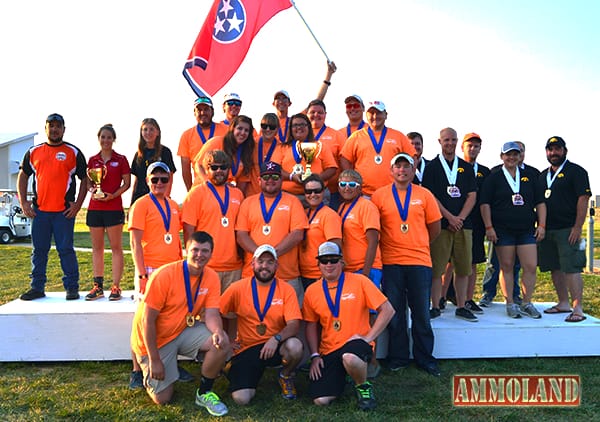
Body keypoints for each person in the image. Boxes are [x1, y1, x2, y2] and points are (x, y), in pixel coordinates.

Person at [130, 231, 230, 416]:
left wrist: (217, 331)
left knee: (221, 342)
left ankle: (204, 392)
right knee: (163, 399)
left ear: (211, 253)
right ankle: (148, 370)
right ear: (186, 250)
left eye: (205, 251)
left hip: (181, 330)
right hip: (154, 340)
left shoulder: (211, 277)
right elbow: (147, 320)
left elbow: (212, 314)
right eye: (195, 250)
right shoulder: (165, 275)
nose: (200, 255)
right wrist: (155, 360)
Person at [372, 153, 442, 375]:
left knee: (421, 311)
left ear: (413, 171)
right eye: (398, 166)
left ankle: (425, 358)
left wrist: (418, 243)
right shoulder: (379, 196)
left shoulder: (425, 195)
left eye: (406, 167)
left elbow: (435, 227)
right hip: (391, 262)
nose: (402, 170)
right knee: (395, 312)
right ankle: (399, 357)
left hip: (419, 261)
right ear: (391, 171)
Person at [303, 242, 395, 411]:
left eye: (333, 260)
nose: (329, 264)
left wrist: (368, 339)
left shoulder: (360, 281)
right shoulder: (312, 291)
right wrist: (315, 355)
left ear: (342, 262)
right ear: (318, 264)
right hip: (329, 349)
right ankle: (344, 377)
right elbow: (310, 325)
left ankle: (363, 387)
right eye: (324, 261)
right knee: (320, 400)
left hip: (356, 344)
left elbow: (388, 310)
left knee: (350, 357)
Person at [127, 162, 186, 389]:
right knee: (144, 318)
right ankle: (135, 369)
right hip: (150, 269)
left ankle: (170, 361)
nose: (160, 183)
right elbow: (134, 243)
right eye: (155, 179)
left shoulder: (172, 205)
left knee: (170, 316)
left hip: (171, 269)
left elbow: (173, 236)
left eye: (164, 179)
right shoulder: (140, 205)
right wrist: (142, 274)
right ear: (147, 181)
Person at [220, 244, 303, 404]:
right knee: (241, 399)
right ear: (252, 264)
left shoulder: (286, 289)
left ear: (276, 265)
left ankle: (285, 375)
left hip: (275, 346)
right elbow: (217, 312)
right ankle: (232, 368)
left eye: (270, 262)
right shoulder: (237, 288)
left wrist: (276, 338)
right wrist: (227, 340)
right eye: (261, 261)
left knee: (295, 346)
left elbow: (294, 325)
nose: (265, 266)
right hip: (247, 348)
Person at [18, 113, 87, 301]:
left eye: (58, 126)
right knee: (39, 251)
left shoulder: (73, 152)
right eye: (51, 126)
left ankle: (72, 288)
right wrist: (24, 202)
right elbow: (23, 176)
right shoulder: (34, 152)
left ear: (64, 129)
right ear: (46, 128)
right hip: (40, 212)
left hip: (63, 212)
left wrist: (78, 204)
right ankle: (37, 287)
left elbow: (85, 179)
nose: (55, 129)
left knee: (66, 250)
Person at [480, 142, 546, 319]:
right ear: (502, 156)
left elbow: (540, 202)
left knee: (530, 266)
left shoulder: (529, 176)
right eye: (508, 154)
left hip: (526, 229)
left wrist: (541, 225)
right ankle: (510, 303)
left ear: (520, 156)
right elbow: (485, 204)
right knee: (507, 266)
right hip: (503, 230)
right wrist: (489, 227)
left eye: (515, 154)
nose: (512, 158)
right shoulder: (494, 177)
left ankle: (526, 302)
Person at [422, 127, 477, 321]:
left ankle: (461, 306)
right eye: (446, 140)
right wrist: (449, 217)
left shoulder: (466, 167)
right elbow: (431, 197)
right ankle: (435, 305)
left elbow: (472, 196)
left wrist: (460, 218)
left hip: (464, 225)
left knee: (463, 268)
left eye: (454, 140)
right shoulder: (432, 167)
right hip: (441, 225)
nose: (450, 144)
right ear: (439, 142)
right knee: (437, 269)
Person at [235, 161, 308, 303]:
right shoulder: (247, 203)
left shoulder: (293, 202)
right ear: (259, 180)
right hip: (253, 274)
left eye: (275, 177)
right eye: (266, 177)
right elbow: (241, 235)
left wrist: (272, 255)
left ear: (281, 179)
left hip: (286, 274)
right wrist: (261, 258)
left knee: (291, 320)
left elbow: (297, 234)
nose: (270, 180)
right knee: (250, 318)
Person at [538, 136, 592, 323]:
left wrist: (578, 227)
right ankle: (563, 303)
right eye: (550, 150)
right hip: (548, 229)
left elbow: (583, 199)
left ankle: (578, 308)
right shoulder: (543, 174)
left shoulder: (576, 172)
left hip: (568, 229)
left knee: (572, 268)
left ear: (565, 151)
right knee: (554, 267)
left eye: (557, 149)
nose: (554, 153)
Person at [336, 169, 383, 377]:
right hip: (349, 269)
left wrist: (365, 272)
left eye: (352, 185)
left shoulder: (366, 206)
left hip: (367, 269)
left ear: (360, 187)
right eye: (343, 184)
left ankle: (372, 360)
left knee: (372, 314)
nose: (347, 188)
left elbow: (373, 240)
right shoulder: (341, 208)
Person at [441, 133, 490, 314]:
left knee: (472, 262)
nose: (473, 149)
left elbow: (483, 198)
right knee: (448, 263)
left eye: (476, 146)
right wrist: (454, 218)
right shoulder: (453, 166)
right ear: (462, 147)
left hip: (473, 222)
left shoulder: (485, 171)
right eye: (470, 145)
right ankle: (442, 297)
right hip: (450, 221)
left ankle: (468, 300)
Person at [182, 150, 244, 292]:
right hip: (206, 266)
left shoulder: (238, 194)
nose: (219, 171)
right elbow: (188, 230)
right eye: (214, 167)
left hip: (234, 267)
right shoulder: (196, 194)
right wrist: (192, 262)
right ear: (207, 169)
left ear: (229, 169)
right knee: (204, 312)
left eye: (223, 167)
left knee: (230, 313)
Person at [84, 124, 131, 301]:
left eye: (109, 137)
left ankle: (116, 287)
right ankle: (98, 286)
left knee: (116, 248)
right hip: (95, 208)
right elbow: (88, 183)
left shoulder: (121, 159)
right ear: (99, 139)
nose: (106, 140)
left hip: (113, 208)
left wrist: (112, 196)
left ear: (114, 139)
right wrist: (93, 191)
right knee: (97, 249)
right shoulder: (92, 160)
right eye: (103, 137)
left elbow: (126, 183)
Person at [340, 100, 416, 197]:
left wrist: (409, 178)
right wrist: (352, 180)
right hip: (364, 194)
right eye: (371, 113)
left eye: (379, 113)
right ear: (366, 115)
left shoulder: (398, 136)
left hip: (392, 193)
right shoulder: (356, 136)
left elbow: (413, 157)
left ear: (386, 115)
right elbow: (344, 158)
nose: (375, 116)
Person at [273, 113, 337, 206]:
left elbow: (332, 168)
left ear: (309, 127)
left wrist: (314, 180)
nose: (299, 127)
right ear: (290, 129)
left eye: (302, 124)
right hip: (289, 196)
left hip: (316, 195)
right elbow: (275, 169)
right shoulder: (282, 148)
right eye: (295, 125)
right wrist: (291, 176)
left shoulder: (320, 146)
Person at [273, 61, 337, 143]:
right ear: (273, 103)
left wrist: (328, 75)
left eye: (284, 99)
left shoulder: (296, 120)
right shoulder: (268, 124)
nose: (281, 101)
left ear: (290, 103)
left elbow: (317, 101)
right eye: (278, 99)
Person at [194, 115, 256, 194]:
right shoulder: (217, 142)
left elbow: (242, 181)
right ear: (232, 128)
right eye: (239, 128)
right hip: (204, 191)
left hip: (224, 194)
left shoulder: (246, 152)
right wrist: (209, 183)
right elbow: (198, 165)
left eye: (246, 130)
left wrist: (235, 195)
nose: (243, 133)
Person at [300, 174, 342, 288]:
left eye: (317, 191)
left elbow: (335, 246)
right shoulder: (303, 213)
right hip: (303, 273)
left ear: (323, 192)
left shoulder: (329, 215)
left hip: (320, 274)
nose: (313, 194)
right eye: (309, 191)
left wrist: (328, 273)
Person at [177, 96, 228, 191]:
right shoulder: (186, 135)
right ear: (194, 113)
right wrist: (190, 190)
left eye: (206, 109)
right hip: (200, 186)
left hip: (223, 184)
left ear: (212, 111)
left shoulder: (225, 130)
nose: (203, 113)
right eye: (199, 110)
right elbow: (186, 169)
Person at [307, 99, 345, 210]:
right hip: (305, 191)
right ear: (307, 114)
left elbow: (345, 161)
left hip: (332, 192)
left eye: (320, 112)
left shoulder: (337, 135)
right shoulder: (301, 135)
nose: (316, 115)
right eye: (312, 112)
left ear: (325, 114)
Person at [130, 118, 176, 205]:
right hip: (140, 197)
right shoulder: (139, 154)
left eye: (151, 129)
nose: (148, 132)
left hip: (158, 196)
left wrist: (165, 197)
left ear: (157, 132)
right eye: (145, 129)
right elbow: (136, 180)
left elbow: (170, 176)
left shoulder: (165, 152)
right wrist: (132, 202)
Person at [247, 113, 282, 196]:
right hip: (251, 195)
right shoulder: (251, 144)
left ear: (278, 129)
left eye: (272, 127)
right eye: (264, 126)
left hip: (273, 196)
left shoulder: (282, 147)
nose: (268, 129)